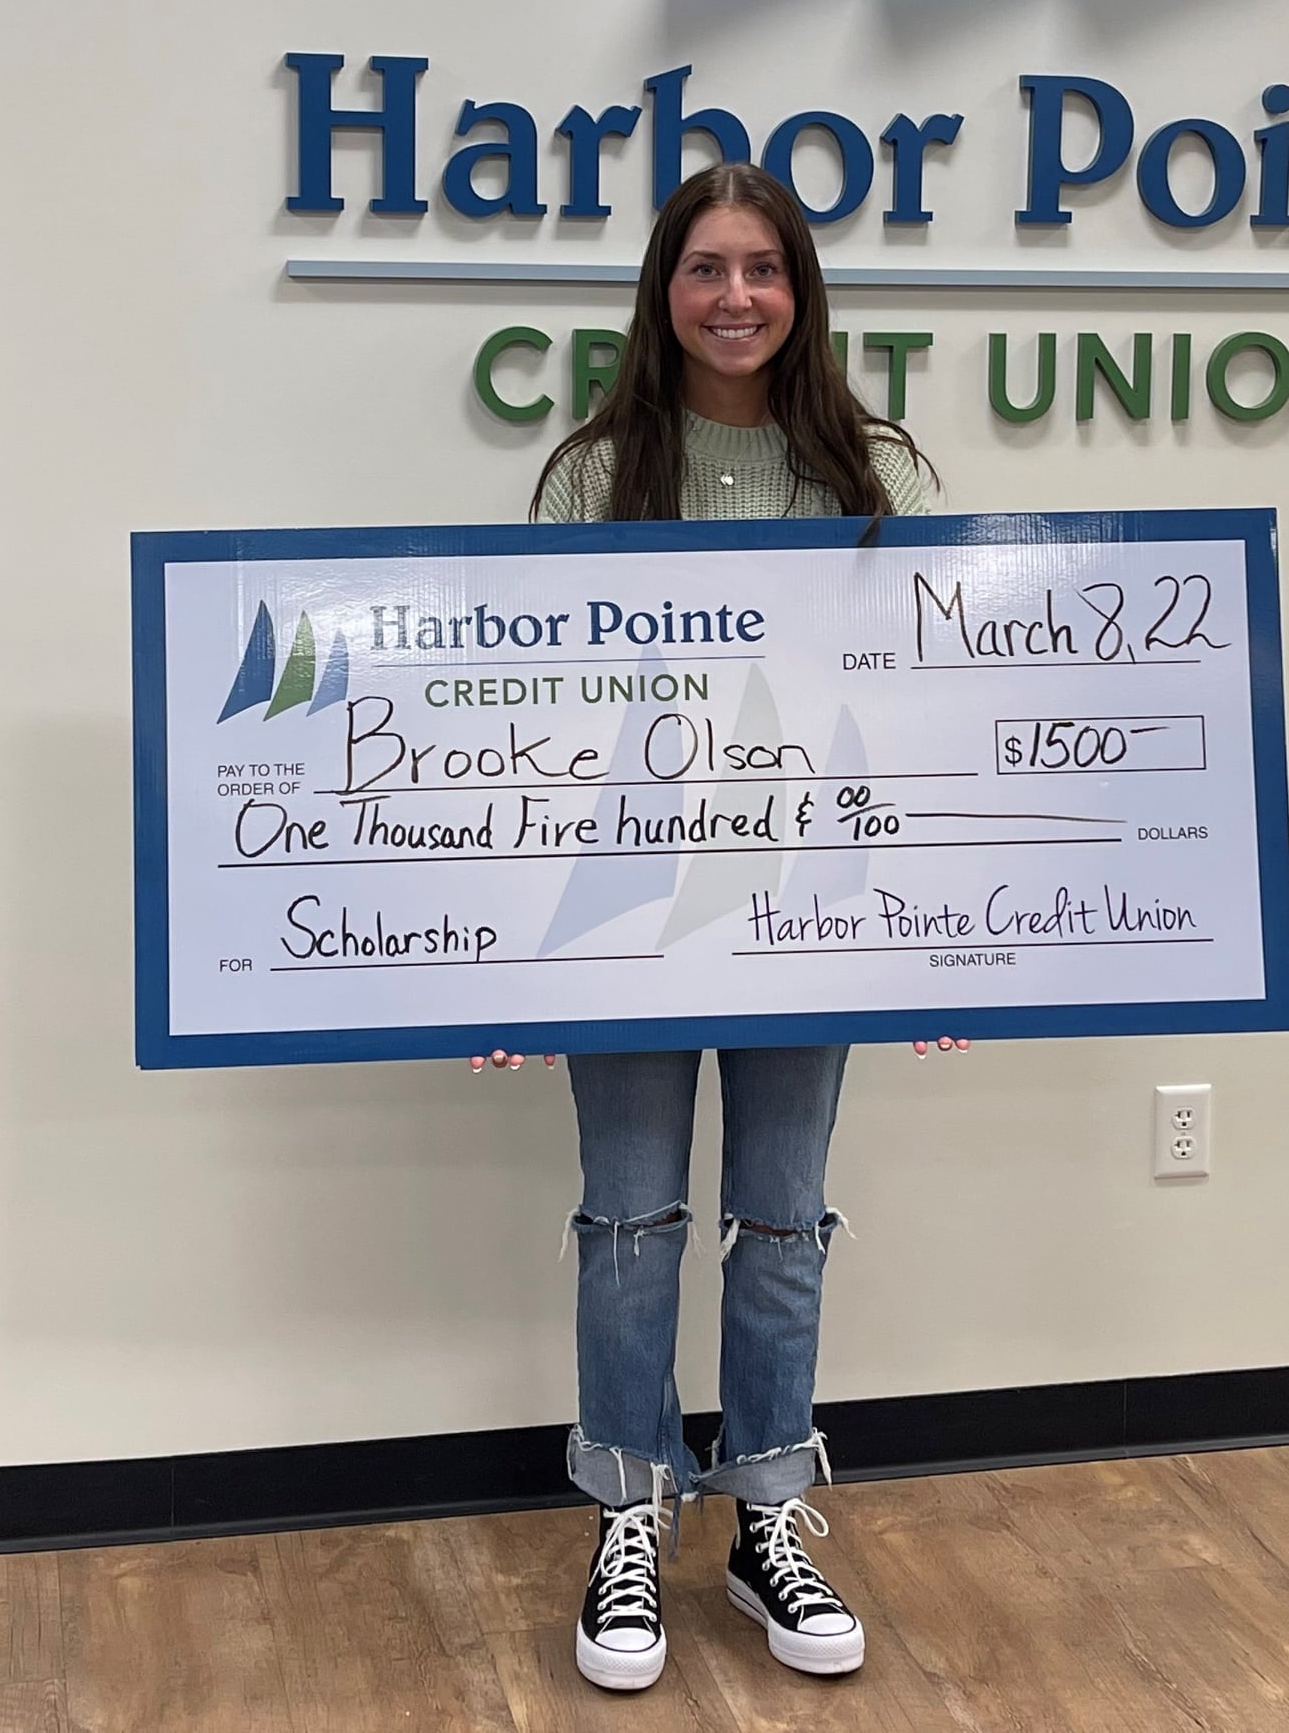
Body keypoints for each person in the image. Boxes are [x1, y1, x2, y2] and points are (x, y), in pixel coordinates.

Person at [477, 161, 967, 1694]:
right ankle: (630, 1512)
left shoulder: (874, 472)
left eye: (763, 267)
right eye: (707, 267)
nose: (736, 295)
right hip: (631, 915)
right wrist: (508, 959)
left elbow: (934, 708)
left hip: (814, 915)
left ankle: (765, 1517)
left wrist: (950, 940)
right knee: (629, 1221)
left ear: (801, 290)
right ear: (664, 290)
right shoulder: (592, 475)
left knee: (782, 1219)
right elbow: (532, 731)